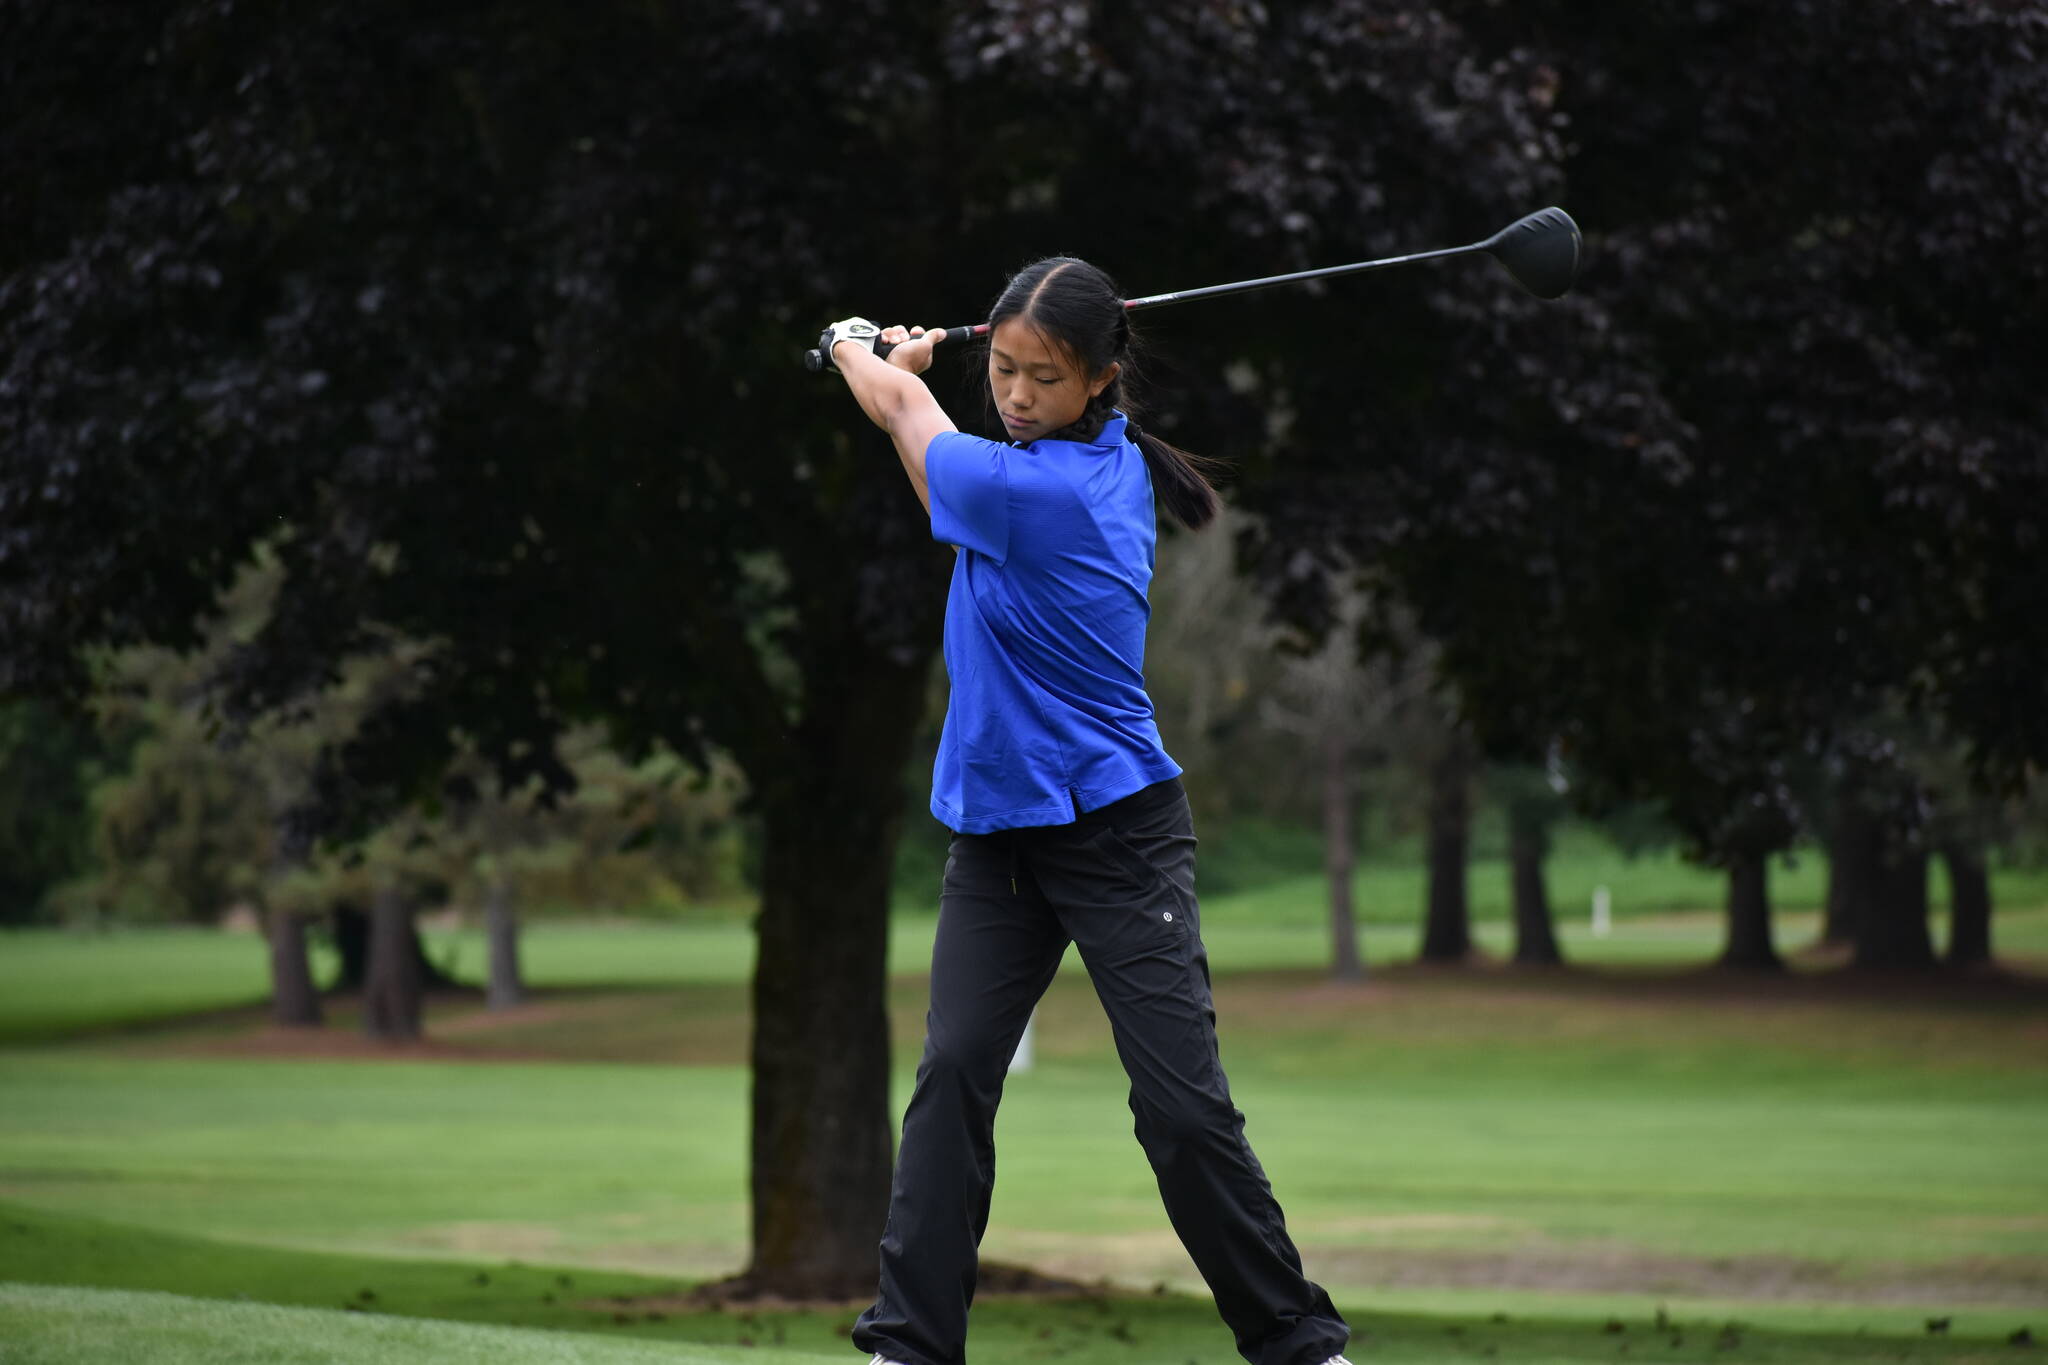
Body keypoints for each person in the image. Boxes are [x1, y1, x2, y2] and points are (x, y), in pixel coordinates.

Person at [822, 256, 1351, 1365]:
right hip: (999, 838)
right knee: (953, 1077)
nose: (1016, 396)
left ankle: (1300, 1345)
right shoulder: (1024, 477)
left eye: (1044, 378)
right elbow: (932, 466)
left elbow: (905, 417)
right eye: (1004, 370)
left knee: (1181, 1111)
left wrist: (852, 346)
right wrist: (902, 386)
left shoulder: (1060, 492)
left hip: (1116, 832)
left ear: (1101, 379)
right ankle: (908, 1348)